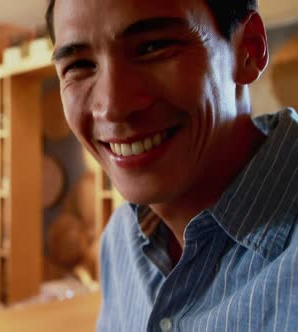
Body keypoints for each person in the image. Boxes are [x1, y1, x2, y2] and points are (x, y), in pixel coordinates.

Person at [46, 0, 298, 331]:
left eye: (153, 47)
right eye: (80, 65)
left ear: (248, 50)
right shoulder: (120, 240)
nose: (112, 108)